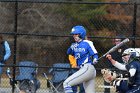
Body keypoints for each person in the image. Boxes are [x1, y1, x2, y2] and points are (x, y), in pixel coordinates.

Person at [63, 25, 98, 93]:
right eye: (73, 34)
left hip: (88, 68)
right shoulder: (75, 44)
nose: (74, 36)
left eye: (76, 34)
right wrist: (72, 47)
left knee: (66, 83)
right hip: (83, 69)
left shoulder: (87, 43)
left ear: (81, 34)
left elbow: (94, 53)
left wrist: (95, 58)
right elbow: (69, 52)